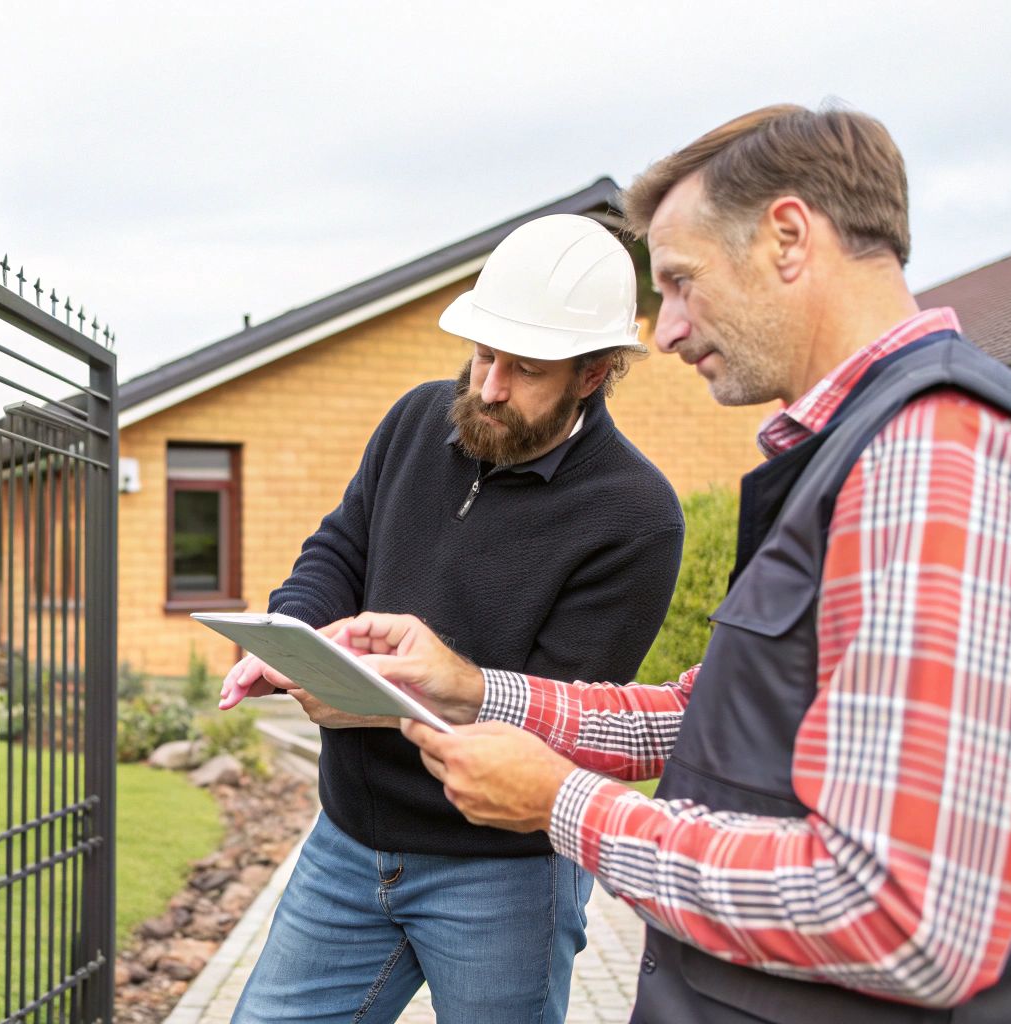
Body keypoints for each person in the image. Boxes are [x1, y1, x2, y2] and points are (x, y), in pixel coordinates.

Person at [355, 104, 1011, 1023]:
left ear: (789, 238)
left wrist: (565, 805)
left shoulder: (942, 460)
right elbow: (706, 720)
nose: (669, 331)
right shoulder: (855, 453)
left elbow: (898, 918)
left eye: (682, 282)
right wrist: (475, 691)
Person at [215, 214, 685, 1023]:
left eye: (524, 368)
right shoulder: (417, 419)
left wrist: (361, 704)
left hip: (500, 869)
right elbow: (338, 548)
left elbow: (555, 713)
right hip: (347, 841)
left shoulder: (636, 516)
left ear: (594, 373)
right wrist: (294, 639)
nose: (491, 387)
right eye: (483, 354)